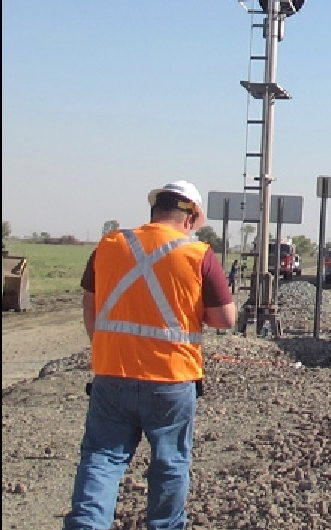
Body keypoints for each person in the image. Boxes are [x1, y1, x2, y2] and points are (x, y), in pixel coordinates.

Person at [63, 180, 237, 530]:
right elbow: (225, 319)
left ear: (155, 211)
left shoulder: (110, 244)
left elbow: (90, 304)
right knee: (170, 464)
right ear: (189, 218)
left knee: (102, 458)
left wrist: (104, 346)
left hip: (112, 374)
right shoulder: (198, 254)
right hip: (172, 379)